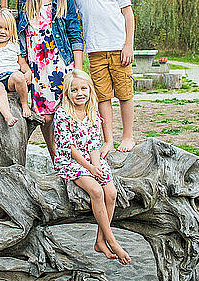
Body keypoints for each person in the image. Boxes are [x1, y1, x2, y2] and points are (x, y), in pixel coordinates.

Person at [54, 69, 131, 264]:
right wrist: (89, 168)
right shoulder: (63, 114)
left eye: (83, 89)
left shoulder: (93, 113)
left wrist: (97, 167)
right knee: (96, 191)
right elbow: (70, 148)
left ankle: (99, 239)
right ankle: (112, 240)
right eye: (74, 90)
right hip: (71, 161)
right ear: (67, 93)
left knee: (111, 192)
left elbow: (93, 144)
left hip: (91, 158)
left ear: (90, 90)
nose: (79, 93)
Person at [68, 0, 136, 155]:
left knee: (125, 93)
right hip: (95, 51)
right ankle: (108, 140)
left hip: (118, 47)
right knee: (102, 97)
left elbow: (128, 14)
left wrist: (129, 44)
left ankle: (128, 136)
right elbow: (73, 18)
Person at [17, 0, 83, 159]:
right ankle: (55, 156)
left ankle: (75, 156)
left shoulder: (65, 0)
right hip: (37, 65)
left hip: (61, 63)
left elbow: (74, 34)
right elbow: (18, 33)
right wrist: (24, 64)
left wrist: (78, 71)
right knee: (45, 117)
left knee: (66, 113)